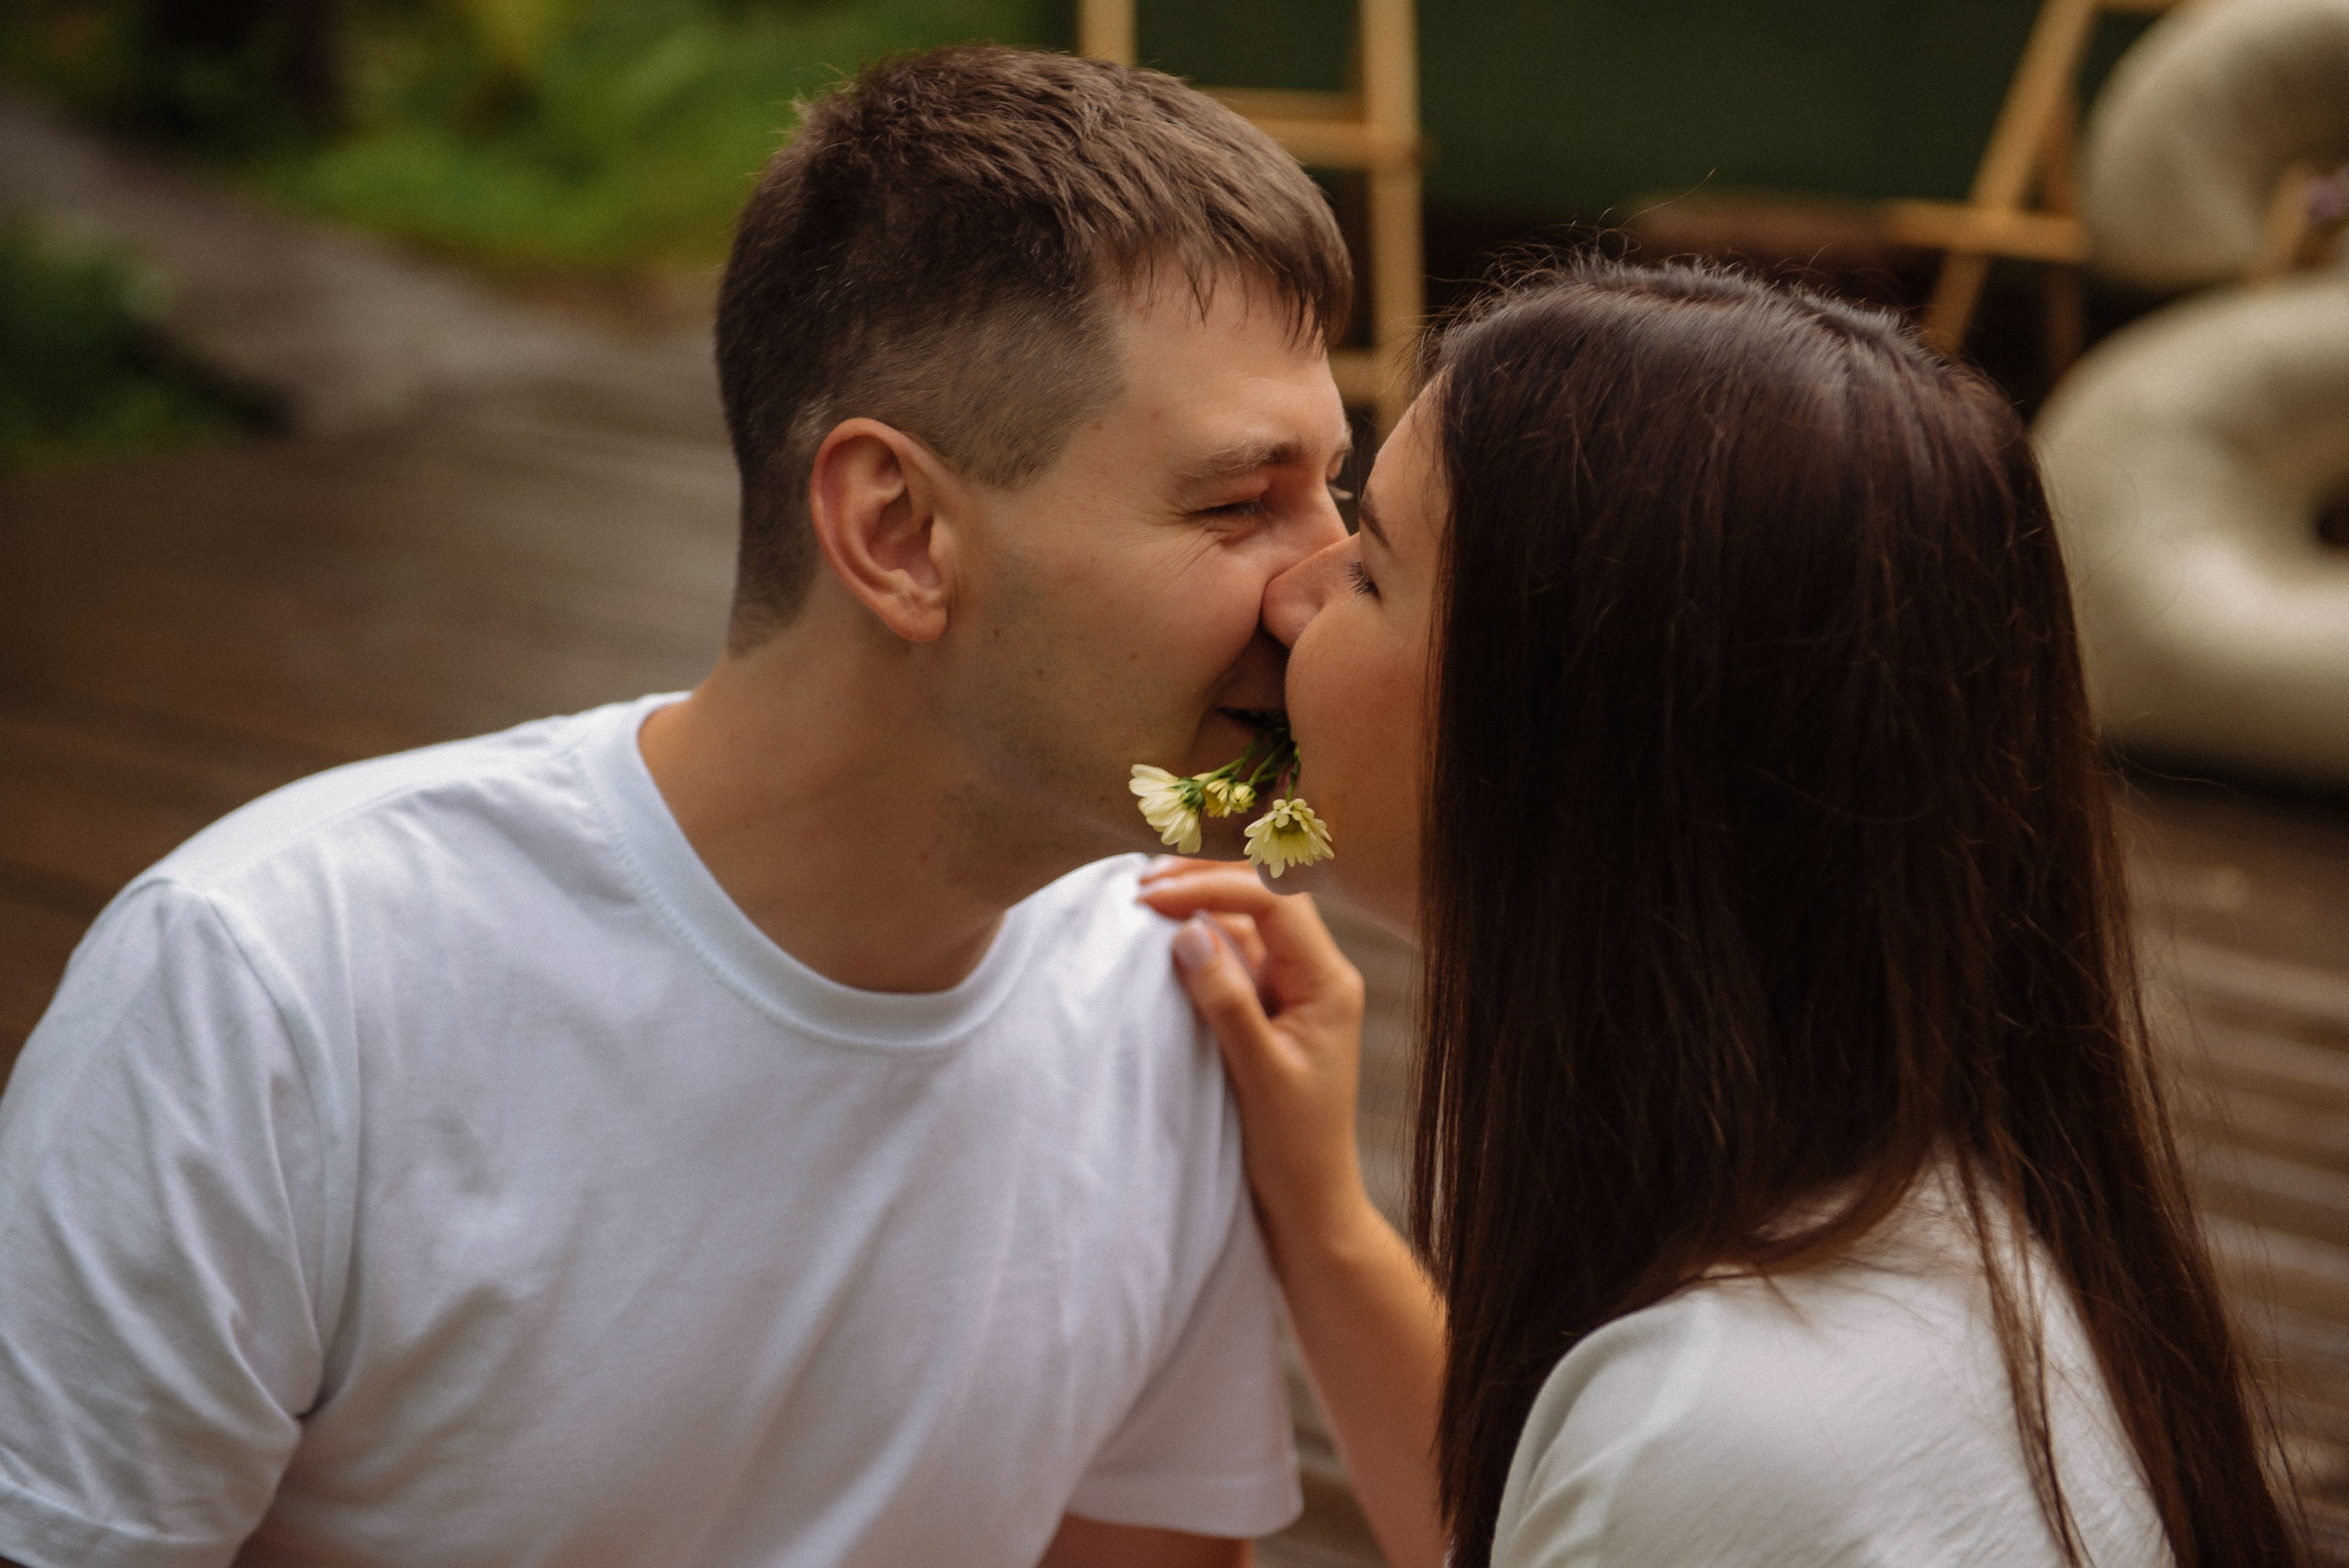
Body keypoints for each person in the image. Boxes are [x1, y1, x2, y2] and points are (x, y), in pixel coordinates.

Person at [0, 47, 1362, 1568]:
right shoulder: (272, 988)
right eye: (1242, 501)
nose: (1325, 585)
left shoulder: (1173, 984)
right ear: (898, 530)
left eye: (1337, 490)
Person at [1141, 260, 2303, 1567]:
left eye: (1372, 569)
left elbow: (1641, 1495)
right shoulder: (1951, 1226)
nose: (1293, 594)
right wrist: (1328, 1218)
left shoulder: (1710, 1429)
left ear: (1588, 733)